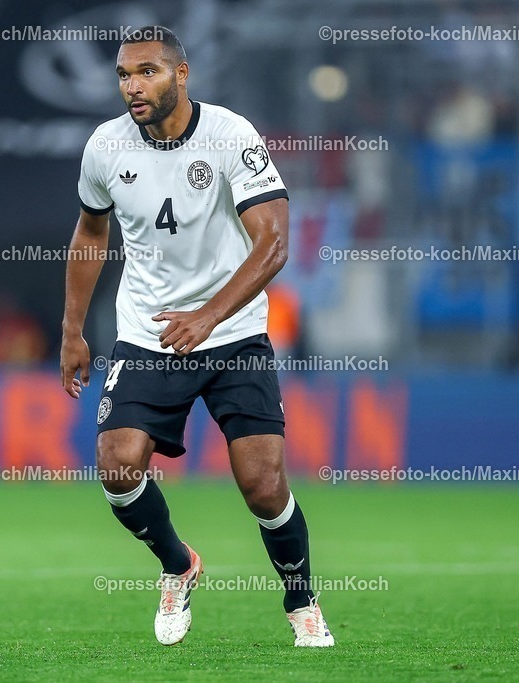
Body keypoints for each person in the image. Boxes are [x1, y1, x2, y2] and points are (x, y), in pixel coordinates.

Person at [59, 26, 333, 647]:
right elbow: (90, 235)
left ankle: (301, 600)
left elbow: (274, 243)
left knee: (263, 486)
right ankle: (178, 566)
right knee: (118, 467)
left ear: (182, 75)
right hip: (149, 334)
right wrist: (73, 330)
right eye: (125, 74)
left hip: (232, 333)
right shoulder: (104, 147)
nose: (133, 86)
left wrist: (207, 317)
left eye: (148, 72)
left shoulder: (231, 136)